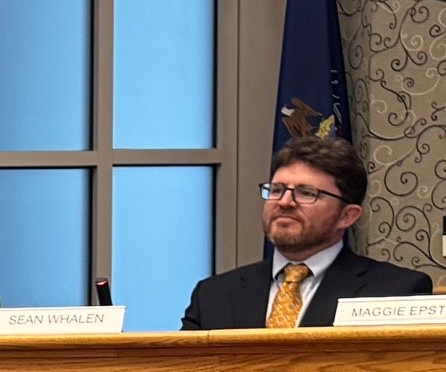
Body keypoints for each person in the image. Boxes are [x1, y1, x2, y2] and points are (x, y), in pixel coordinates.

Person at [181, 135, 431, 330]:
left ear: (348, 216)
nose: (285, 202)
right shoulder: (214, 295)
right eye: (277, 189)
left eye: (306, 193)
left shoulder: (397, 291)